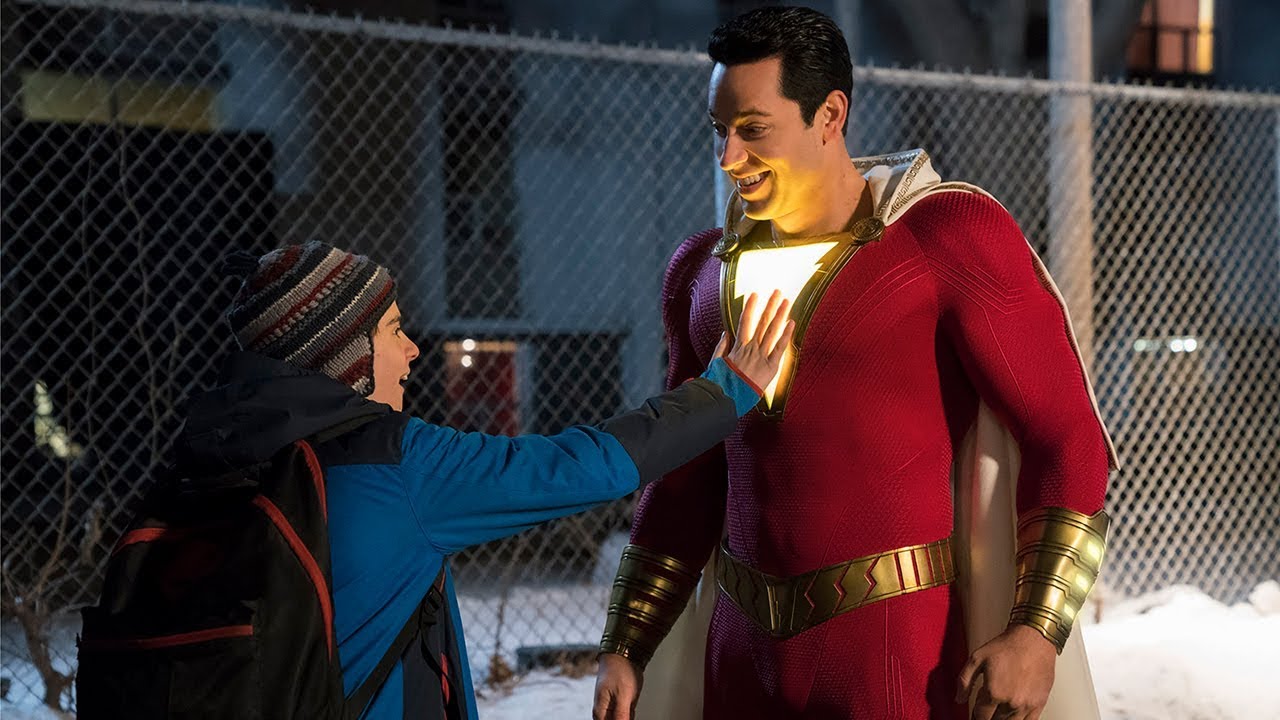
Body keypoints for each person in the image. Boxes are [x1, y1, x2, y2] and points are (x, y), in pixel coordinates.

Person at [593, 7, 1118, 720]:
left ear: (830, 114)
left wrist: (1037, 632)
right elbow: (686, 481)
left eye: (754, 129)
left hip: (900, 662)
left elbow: (1068, 438)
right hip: (738, 659)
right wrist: (627, 642)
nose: (729, 159)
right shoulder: (701, 275)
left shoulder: (949, 238)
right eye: (720, 130)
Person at [177, 240, 794, 720]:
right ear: (346, 352)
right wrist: (723, 393)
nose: (413, 350)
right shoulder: (395, 468)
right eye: (393, 330)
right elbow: (575, 466)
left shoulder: (200, 463)